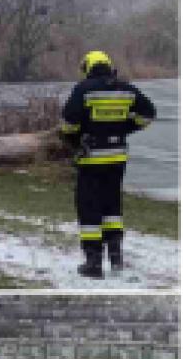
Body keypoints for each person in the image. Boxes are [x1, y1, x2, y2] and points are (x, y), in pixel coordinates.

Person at [60, 50, 156, 278]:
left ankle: (93, 262)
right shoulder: (126, 88)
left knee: (89, 206)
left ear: (87, 68)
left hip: (92, 157)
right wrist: (124, 128)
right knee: (112, 205)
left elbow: (68, 123)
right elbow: (148, 114)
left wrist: (76, 139)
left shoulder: (83, 89)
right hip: (117, 157)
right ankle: (115, 255)